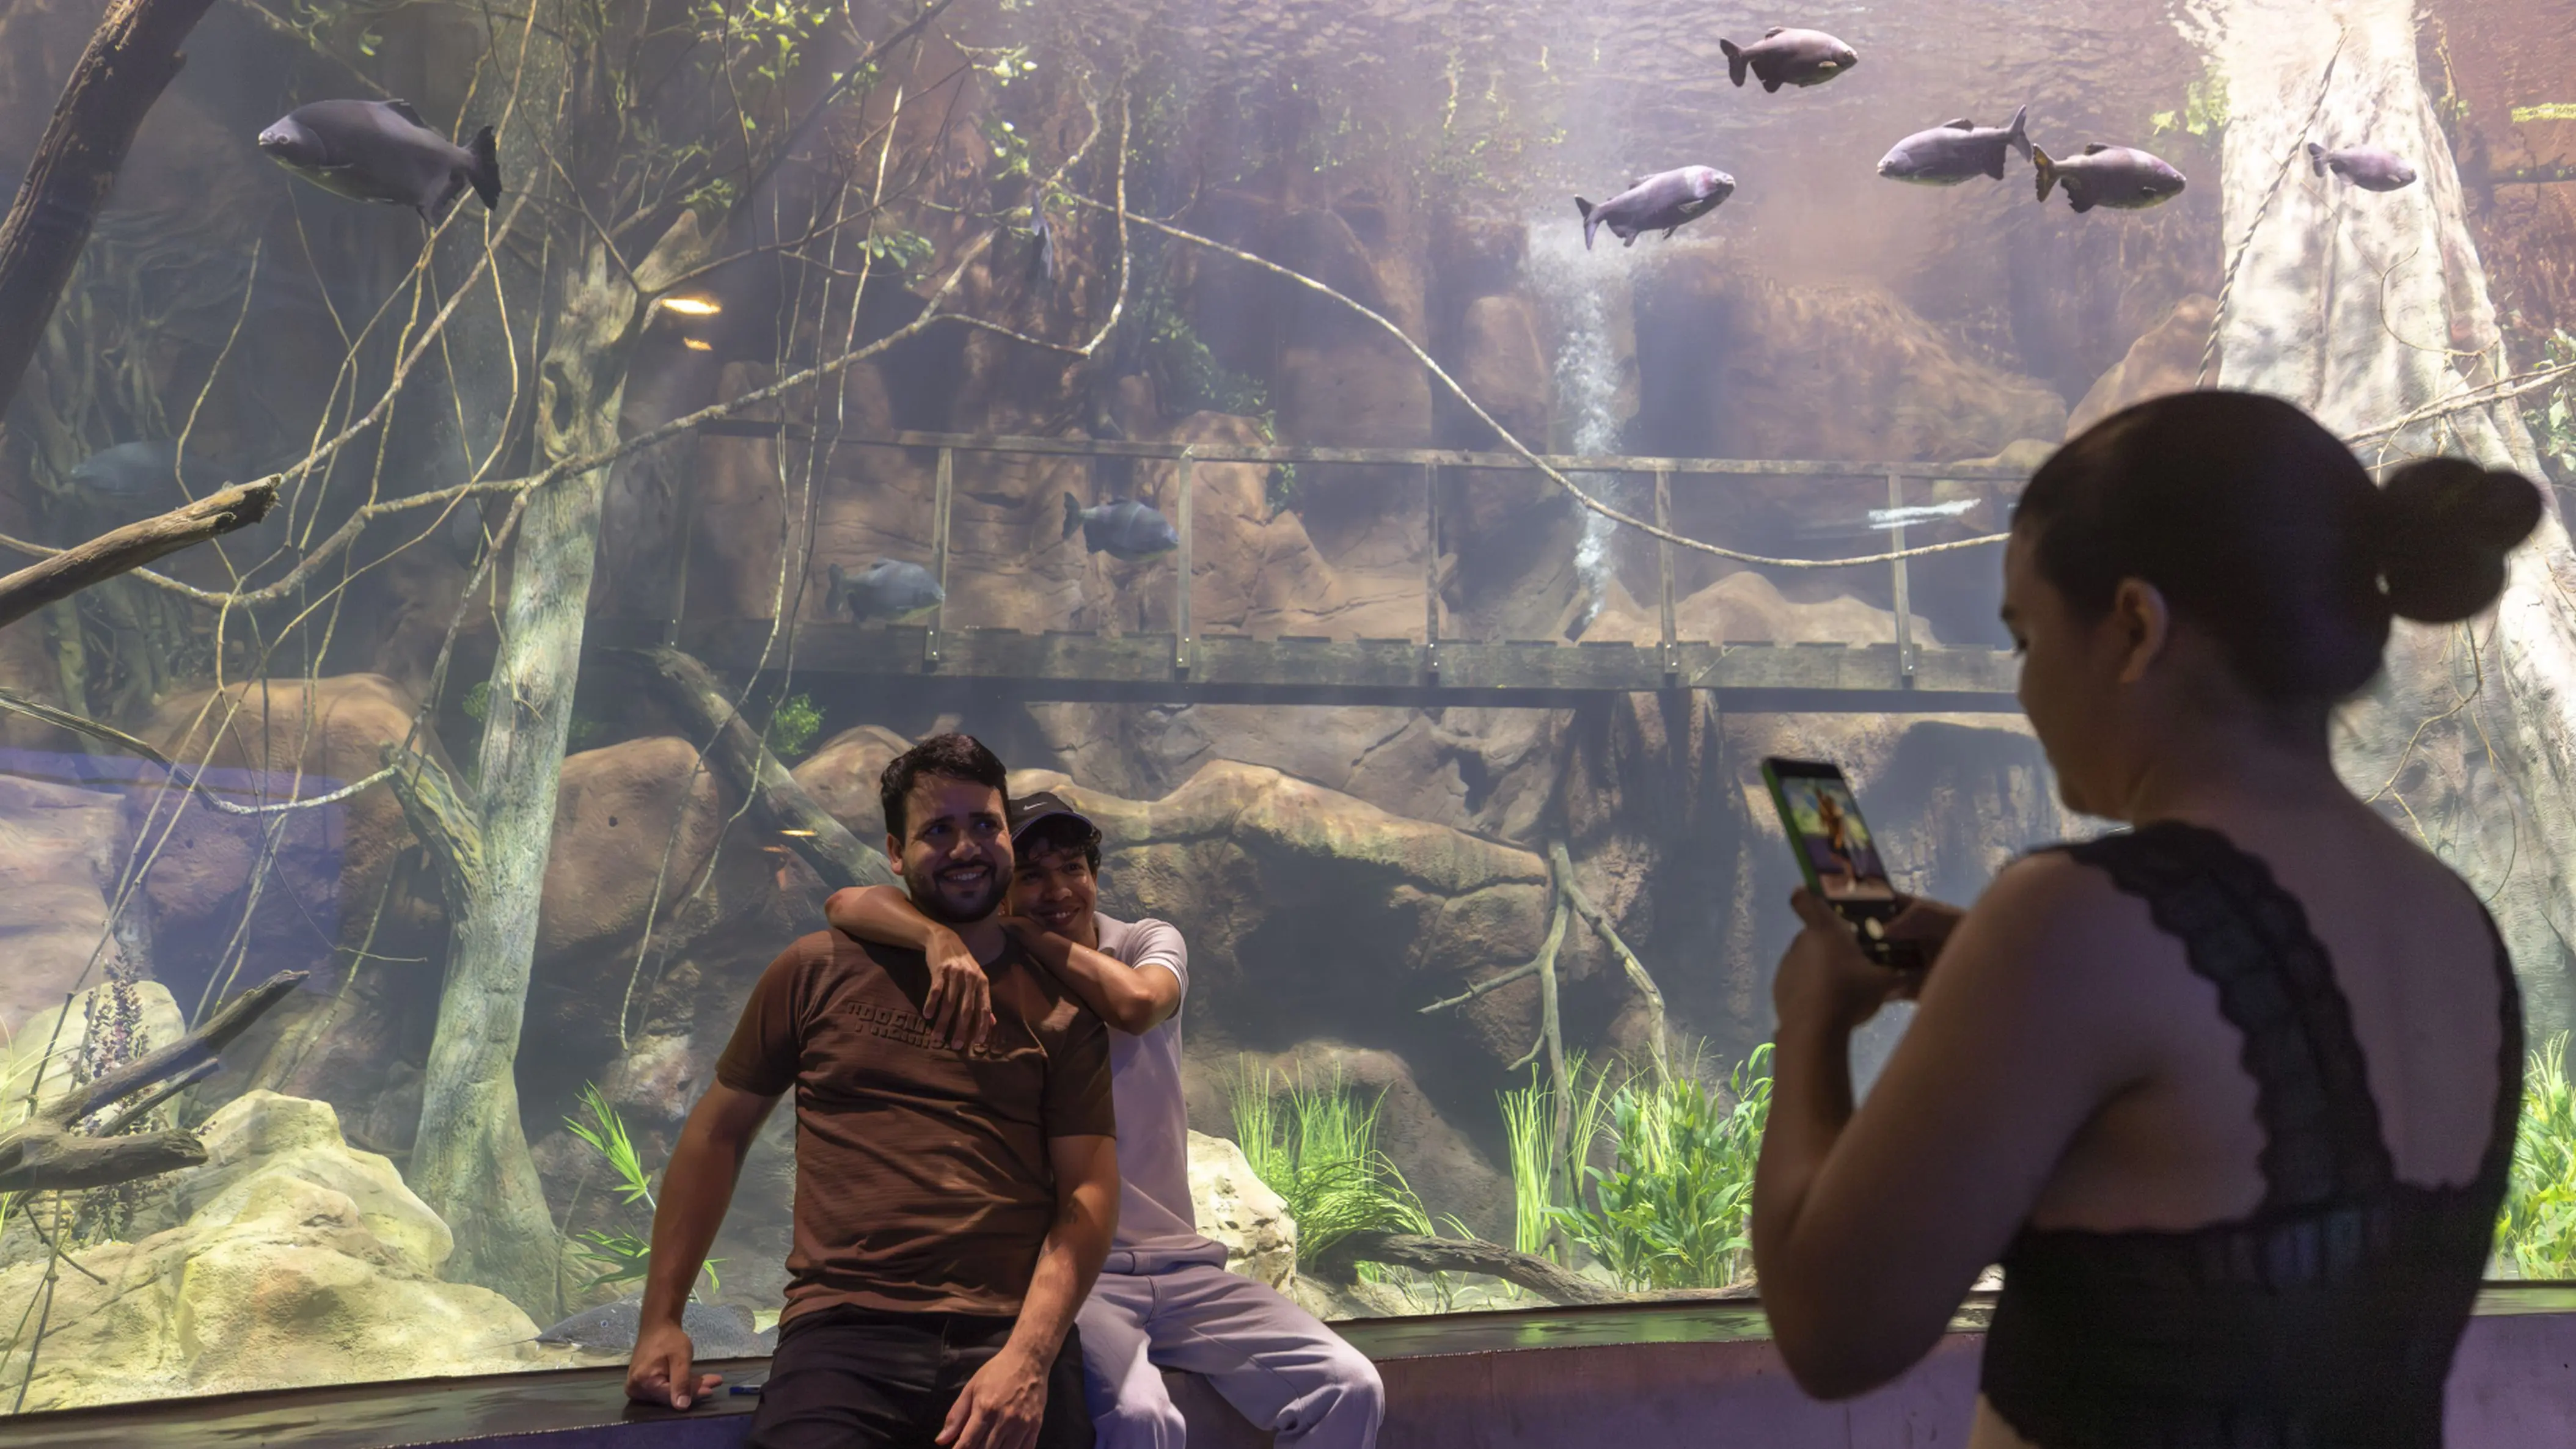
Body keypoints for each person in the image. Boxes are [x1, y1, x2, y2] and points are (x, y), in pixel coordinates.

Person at [1749, 390, 2543, 1447]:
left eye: (2026, 635)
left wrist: (1811, 1015)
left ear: (2132, 628)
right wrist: (1983, 975)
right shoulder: (2455, 927)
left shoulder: (2071, 923)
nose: (2026, 688)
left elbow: (1830, 1328)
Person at [829, 789, 1385, 1449]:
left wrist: (1026, 931)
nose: (1058, 889)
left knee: (1350, 1383)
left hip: (1186, 1266)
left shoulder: (1145, 939)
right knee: (1140, 1415)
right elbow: (844, 903)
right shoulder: (989, 967)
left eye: (1073, 868)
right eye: (1032, 875)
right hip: (1074, 1275)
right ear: (1003, 883)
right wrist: (938, 935)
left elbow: (1139, 1004)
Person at [624, 734, 1120, 1449]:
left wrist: (1029, 1356)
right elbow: (717, 1132)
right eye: (938, 830)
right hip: (843, 1335)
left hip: (1005, 1331)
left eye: (984, 824)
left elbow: (1089, 1191)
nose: (966, 847)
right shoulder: (813, 970)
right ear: (895, 851)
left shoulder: (1062, 1006)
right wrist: (661, 1320)